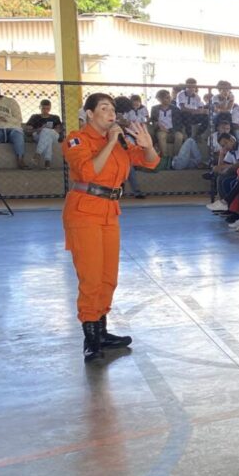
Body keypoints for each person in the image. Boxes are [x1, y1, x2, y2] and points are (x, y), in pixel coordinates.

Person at [63, 94, 160, 361]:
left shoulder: (119, 142)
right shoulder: (76, 139)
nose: (110, 113)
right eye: (103, 108)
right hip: (84, 211)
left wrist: (148, 145)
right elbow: (88, 172)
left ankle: (102, 331)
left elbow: (150, 161)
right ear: (89, 114)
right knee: (91, 277)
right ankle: (91, 338)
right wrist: (110, 142)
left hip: (109, 211)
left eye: (112, 109)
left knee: (108, 276)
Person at [0, 84, 26, 169]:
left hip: (12, 127)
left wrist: (5, 118)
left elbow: (19, 119)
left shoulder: (10, 101)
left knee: (18, 134)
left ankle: (20, 160)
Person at [24, 99, 63, 170]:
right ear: (40, 107)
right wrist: (40, 129)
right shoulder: (34, 117)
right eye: (43, 108)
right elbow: (28, 131)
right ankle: (47, 161)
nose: (45, 110)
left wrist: (50, 131)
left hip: (54, 135)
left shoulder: (55, 117)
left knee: (47, 132)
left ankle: (37, 155)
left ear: (50, 108)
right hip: (38, 135)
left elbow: (59, 130)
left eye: (47, 108)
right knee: (47, 135)